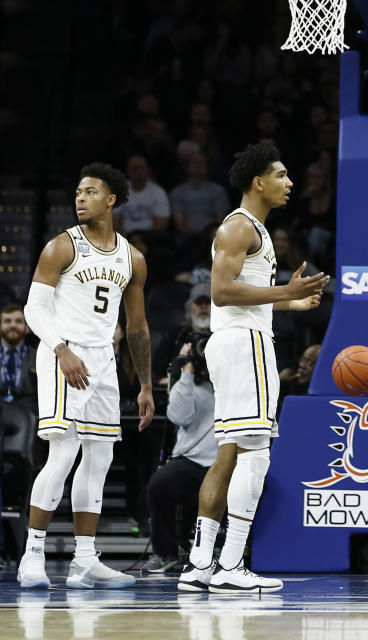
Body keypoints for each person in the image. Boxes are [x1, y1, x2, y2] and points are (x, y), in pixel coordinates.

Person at [177, 144, 329, 594]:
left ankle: (201, 564)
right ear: (258, 182)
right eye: (281, 175)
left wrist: (290, 300)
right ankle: (231, 566)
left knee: (228, 455)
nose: (290, 182)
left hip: (234, 342)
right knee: (257, 454)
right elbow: (222, 292)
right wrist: (286, 292)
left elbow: (244, 295)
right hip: (245, 346)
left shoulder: (249, 228)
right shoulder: (240, 227)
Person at [18, 162, 155, 589]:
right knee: (63, 453)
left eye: (90, 191)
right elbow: (34, 308)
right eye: (78, 191)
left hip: (102, 359)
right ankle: (33, 555)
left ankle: (83, 560)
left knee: (100, 458)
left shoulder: (132, 257)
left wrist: (147, 383)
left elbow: (137, 326)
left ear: (110, 199)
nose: (80, 197)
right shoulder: (62, 246)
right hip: (64, 354)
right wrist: (60, 349)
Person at [144, 339, 218, 573]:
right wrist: (186, 372)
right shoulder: (186, 385)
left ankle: (236, 551)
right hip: (191, 461)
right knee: (160, 484)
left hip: (224, 462)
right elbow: (179, 417)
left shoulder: (232, 382)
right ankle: (165, 553)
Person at [1, 304, 37, 410]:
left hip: (29, 413)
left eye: (18, 321)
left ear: (27, 328)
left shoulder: (38, 357)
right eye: (7, 321)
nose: (13, 325)